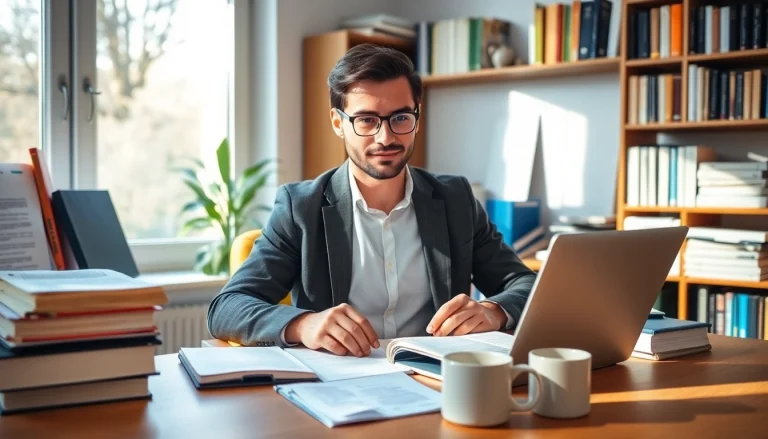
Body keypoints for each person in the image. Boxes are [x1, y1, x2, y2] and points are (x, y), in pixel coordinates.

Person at [207, 43, 536, 357]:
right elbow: (227, 307)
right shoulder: (300, 208)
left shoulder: (455, 200)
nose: (386, 137)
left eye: (400, 118)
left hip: (434, 380)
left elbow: (526, 284)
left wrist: (494, 310)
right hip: (338, 386)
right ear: (338, 123)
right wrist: (304, 324)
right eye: (366, 120)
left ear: (417, 119)